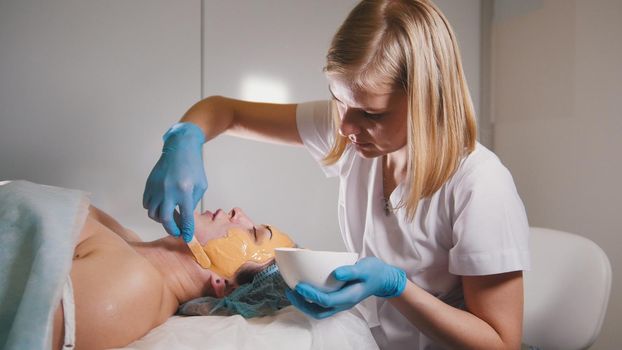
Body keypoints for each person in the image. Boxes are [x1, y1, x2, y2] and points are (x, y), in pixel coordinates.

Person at [143, 0, 530, 349]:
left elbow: (500, 342)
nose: (345, 126)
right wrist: (184, 139)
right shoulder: (353, 131)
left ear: (427, 98)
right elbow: (224, 110)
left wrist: (398, 288)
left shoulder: (480, 186)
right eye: (337, 99)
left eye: (371, 113)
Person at [49, 204, 294, 349]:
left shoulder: (131, 286)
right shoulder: (127, 239)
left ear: (225, 287)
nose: (237, 211)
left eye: (253, 233)